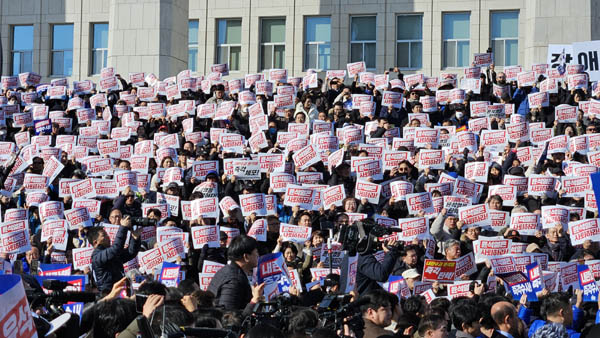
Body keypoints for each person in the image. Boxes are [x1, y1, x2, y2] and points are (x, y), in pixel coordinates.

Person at [207, 235, 264, 312]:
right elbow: (229, 317)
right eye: (256, 252)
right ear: (246, 257)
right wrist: (254, 301)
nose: (258, 256)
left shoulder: (228, 270)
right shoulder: (234, 280)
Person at [88, 213, 141, 294]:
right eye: (104, 235)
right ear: (95, 242)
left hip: (120, 292)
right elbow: (116, 249)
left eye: (106, 234)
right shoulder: (97, 256)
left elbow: (131, 253)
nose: (108, 237)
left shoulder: (110, 253)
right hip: (108, 295)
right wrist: (123, 227)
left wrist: (135, 238)